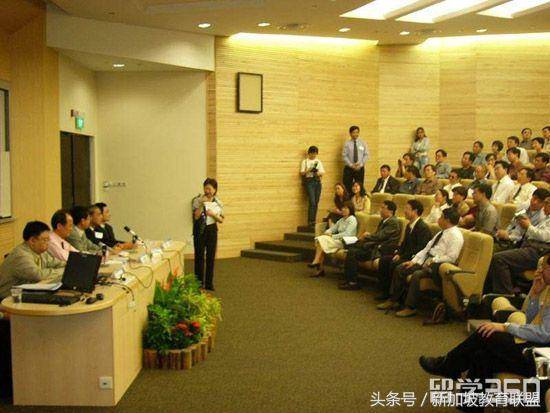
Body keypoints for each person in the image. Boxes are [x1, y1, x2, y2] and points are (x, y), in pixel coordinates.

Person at [419, 258, 550, 405]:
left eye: (543, 268)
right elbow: (529, 319)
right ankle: (468, 404)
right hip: (537, 349)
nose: (539, 272)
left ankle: (449, 365)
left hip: (543, 360)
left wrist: (506, 327)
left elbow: (544, 334)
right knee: (482, 356)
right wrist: (535, 294)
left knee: (489, 334)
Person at [378, 208, 464, 317]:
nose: (439, 219)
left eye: (441, 217)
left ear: (447, 220)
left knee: (417, 275)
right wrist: (413, 261)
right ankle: (394, 300)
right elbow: (426, 249)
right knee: (401, 268)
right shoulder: (441, 232)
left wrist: (434, 260)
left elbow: (451, 257)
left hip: (437, 267)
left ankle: (410, 307)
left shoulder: (455, 236)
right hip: (426, 260)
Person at [485, 195, 550, 295]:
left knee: (499, 259)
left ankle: (505, 294)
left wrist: (528, 226)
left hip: (539, 251)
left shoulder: (544, 218)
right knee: (495, 256)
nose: (543, 207)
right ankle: (487, 292)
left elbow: (544, 236)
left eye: (546, 204)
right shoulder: (545, 218)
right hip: (528, 246)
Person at [376, 200, 431, 301]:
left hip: (414, 258)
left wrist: (402, 256)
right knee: (384, 260)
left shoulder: (423, 228)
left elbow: (420, 249)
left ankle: (394, 298)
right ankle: (384, 292)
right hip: (405, 255)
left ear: (415, 211)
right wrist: (399, 254)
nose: (404, 211)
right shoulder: (409, 225)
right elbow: (404, 244)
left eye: (407, 209)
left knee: (394, 264)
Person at [339, 201, 401, 291]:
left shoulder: (393, 222)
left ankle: (352, 282)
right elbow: (377, 236)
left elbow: (380, 236)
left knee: (352, 252)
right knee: (352, 248)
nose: (380, 210)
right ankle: (349, 280)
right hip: (374, 246)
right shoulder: (384, 221)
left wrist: (367, 236)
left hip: (381, 250)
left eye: (383, 208)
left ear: (390, 211)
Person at [0, 221, 65, 299]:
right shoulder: (21, 255)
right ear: (32, 240)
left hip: (26, 294)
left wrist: (70, 265)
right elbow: (38, 275)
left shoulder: (40, 251)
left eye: (48, 240)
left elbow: (56, 263)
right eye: (45, 240)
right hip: (9, 298)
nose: (48, 243)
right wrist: (65, 270)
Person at [308, 202, 357, 278]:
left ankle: (317, 264)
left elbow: (347, 234)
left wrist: (333, 236)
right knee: (321, 241)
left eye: (346, 208)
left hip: (345, 242)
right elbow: (333, 229)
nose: (343, 210)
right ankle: (318, 265)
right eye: (343, 208)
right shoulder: (341, 220)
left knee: (321, 241)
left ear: (350, 209)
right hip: (338, 240)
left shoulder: (352, 219)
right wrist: (327, 232)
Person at [192, 178, 224, 291]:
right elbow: (196, 216)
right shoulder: (197, 200)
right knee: (199, 257)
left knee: (210, 257)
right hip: (199, 231)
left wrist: (213, 215)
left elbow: (221, 219)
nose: (207, 191)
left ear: (215, 190)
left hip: (211, 232)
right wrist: (202, 204)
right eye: (206, 188)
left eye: (210, 189)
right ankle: (198, 284)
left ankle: (209, 283)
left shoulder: (218, 202)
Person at [301, 146, 325, 226]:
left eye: (315, 153)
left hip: (317, 181)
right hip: (309, 182)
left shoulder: (318, 161)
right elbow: (302, 173)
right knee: (312, 201)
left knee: (316, 201)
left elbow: (322, 172)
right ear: (309, 153)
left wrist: (317, 172)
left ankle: (313, 220)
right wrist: (309, 170)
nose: (313, 155)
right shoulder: (305, 161)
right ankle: (310, 221)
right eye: (312, 153)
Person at [342, 125, 369, 195]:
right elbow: (344, 156)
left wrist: (361, 164)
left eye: (357, 132)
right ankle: (349, 200)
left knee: (359, 186)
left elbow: (366, 155)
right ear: (350, 133)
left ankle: (359, 199)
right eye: (354, 132)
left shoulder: (363, 143)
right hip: (349, 168)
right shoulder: (347, 144)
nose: (355, 134)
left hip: (360, 167)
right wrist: (351, 165)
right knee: (347, 186)